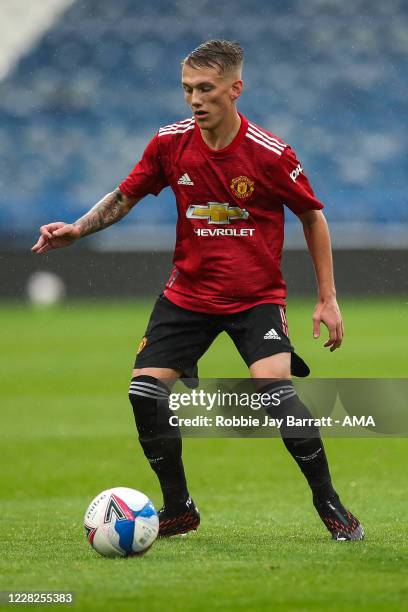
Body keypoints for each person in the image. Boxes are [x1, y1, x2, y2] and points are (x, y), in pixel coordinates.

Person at [32, 40, 364, 541]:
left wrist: (327, 297)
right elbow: (127, 194)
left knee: (276, 394)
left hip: (255, 298)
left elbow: (312, 217)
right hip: (186, 296)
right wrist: (78, 229)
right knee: (143, 392)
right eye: (188, 89)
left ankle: (329, 502)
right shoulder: (169, 143)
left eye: (206, 89)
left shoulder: (271, 155)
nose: (194, 99)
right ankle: (178, 507)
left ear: (235, 90)